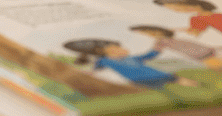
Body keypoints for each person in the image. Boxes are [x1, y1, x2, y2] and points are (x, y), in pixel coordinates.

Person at [64, 38, 196, 88]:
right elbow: (96, 70)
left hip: (152, 76)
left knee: (176, 81)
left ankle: (196, 86)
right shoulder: (104, 60)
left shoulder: (131, 58)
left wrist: (157, 48)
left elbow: (148, 56)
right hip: (141, 79)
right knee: (170, 84)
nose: (124, 50)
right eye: (117, 49)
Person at [130, 25, 222, 70]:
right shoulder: (161, 41)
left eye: (150, 32)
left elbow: (154, 52)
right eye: (147, 33)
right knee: (216, 66)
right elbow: (154, 52)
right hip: (203, 54)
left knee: (217, 66)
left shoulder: (163, 40)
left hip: (204, 53)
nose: (151, 35)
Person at [154, 0, 222, 36]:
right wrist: (173, 30)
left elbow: (195, 31)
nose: (177, 11)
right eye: (174, 9)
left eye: (178, 8)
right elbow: (195, 31)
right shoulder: (196, 18)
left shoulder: (197, 18)